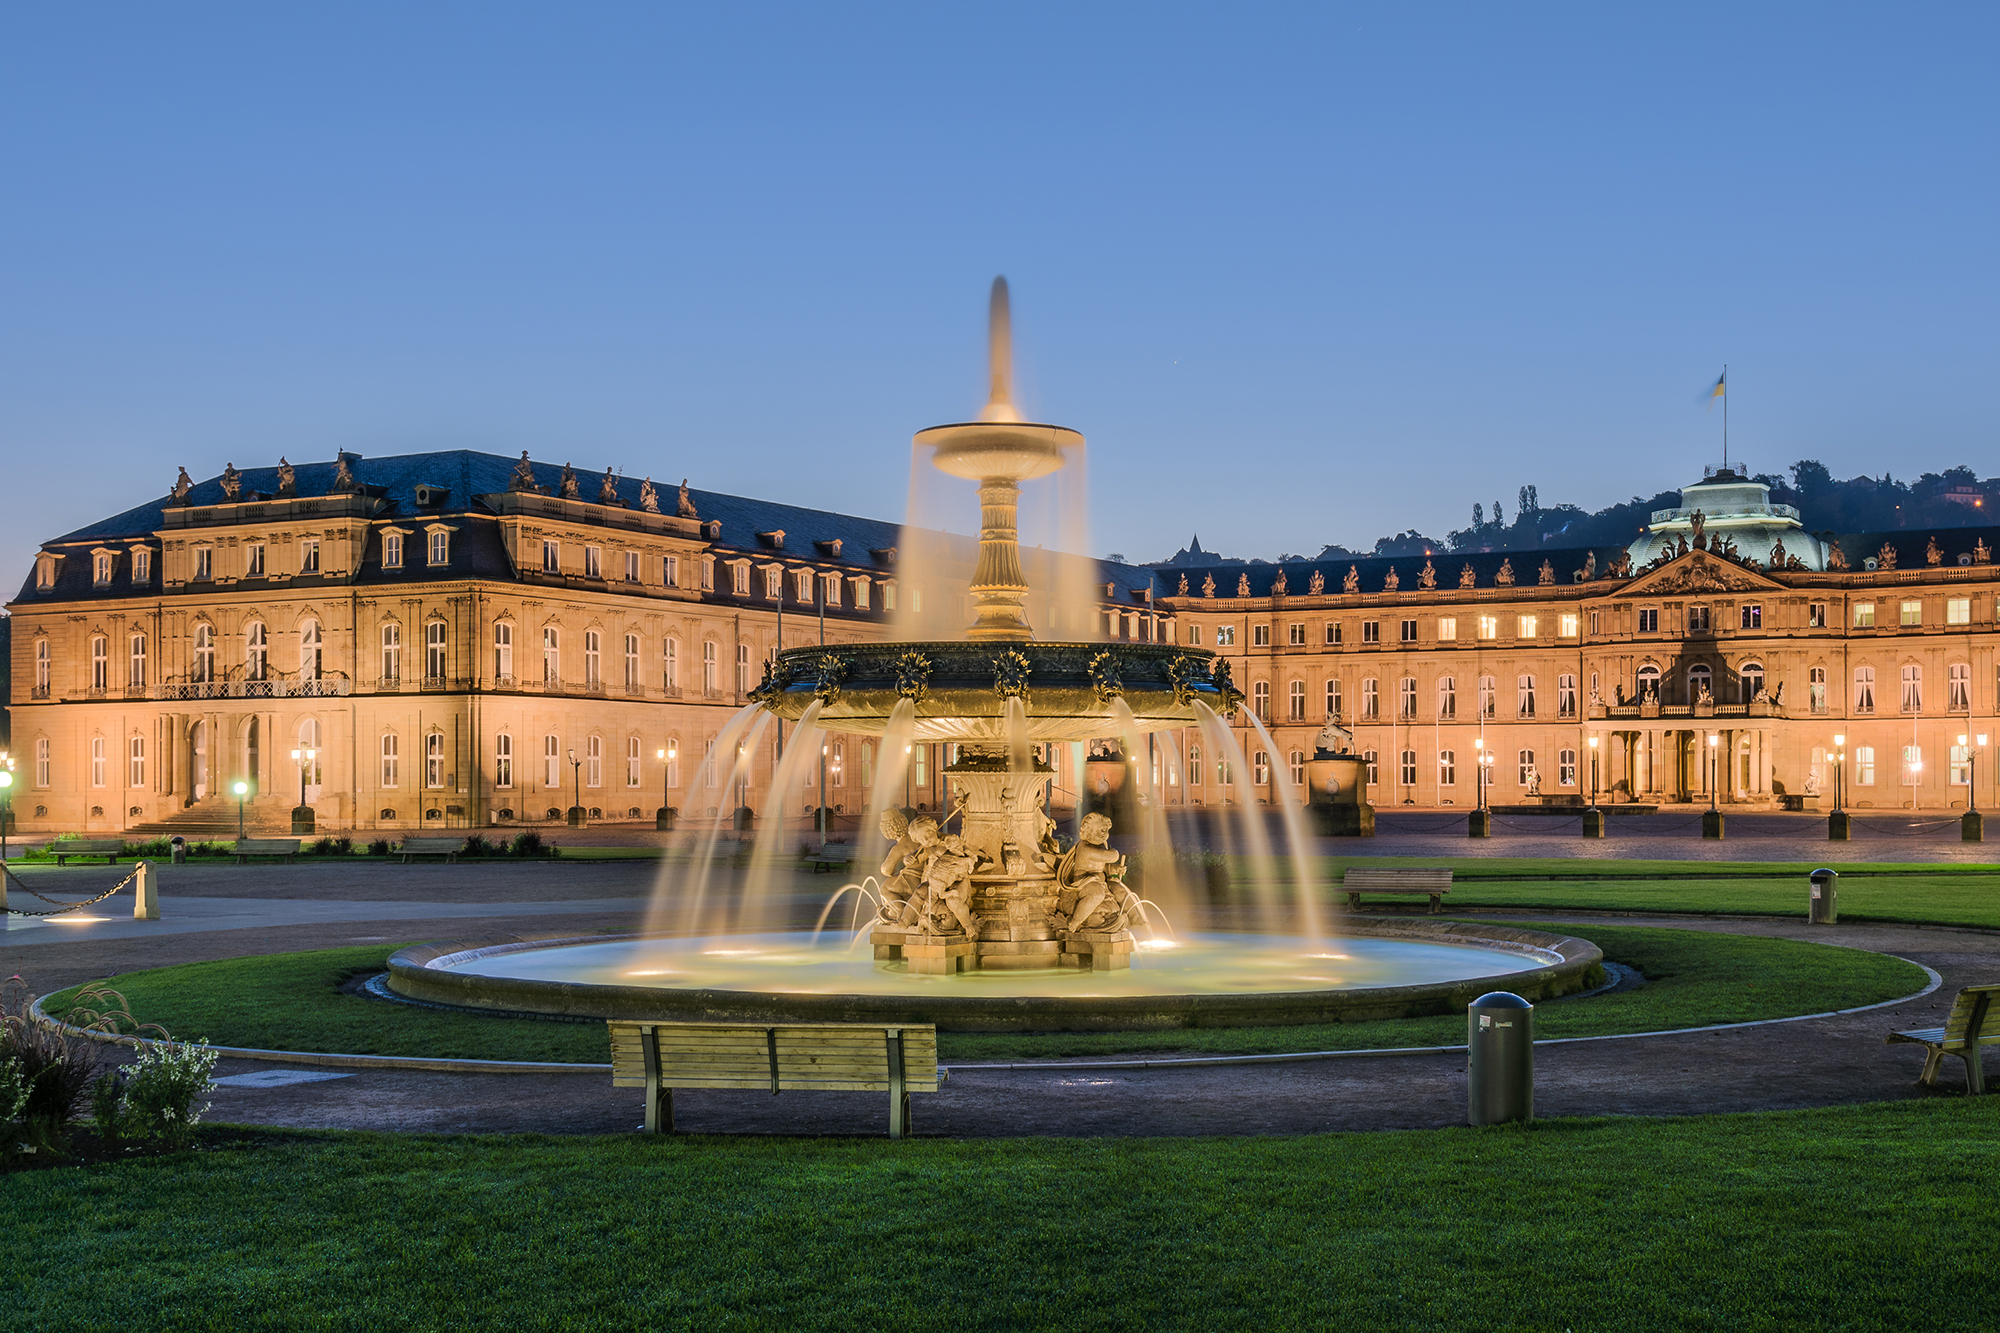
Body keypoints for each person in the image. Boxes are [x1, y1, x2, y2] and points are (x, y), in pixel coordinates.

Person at [1056, 812, 1128, 937]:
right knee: (1096, 894)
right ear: (1088, 832)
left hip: (1099, 880)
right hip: (1084, 883)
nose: (1104, 834)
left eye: (1105, 830)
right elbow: (1111, 856)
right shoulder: (1085, 848)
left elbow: (1102, 866)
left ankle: (1137, 919)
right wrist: (1114, 853)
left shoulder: (1100, 845)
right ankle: (1075, 922)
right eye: (1100, 830)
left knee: (1119, 890)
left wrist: (1115, 869)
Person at [874, 809, 922, 924]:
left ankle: (900, 912)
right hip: (922, 879)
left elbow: (886, 869)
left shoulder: (899, 847)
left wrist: (889, 872)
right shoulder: (915, 838)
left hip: (911, 881)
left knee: (885, 888)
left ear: (887, 830)